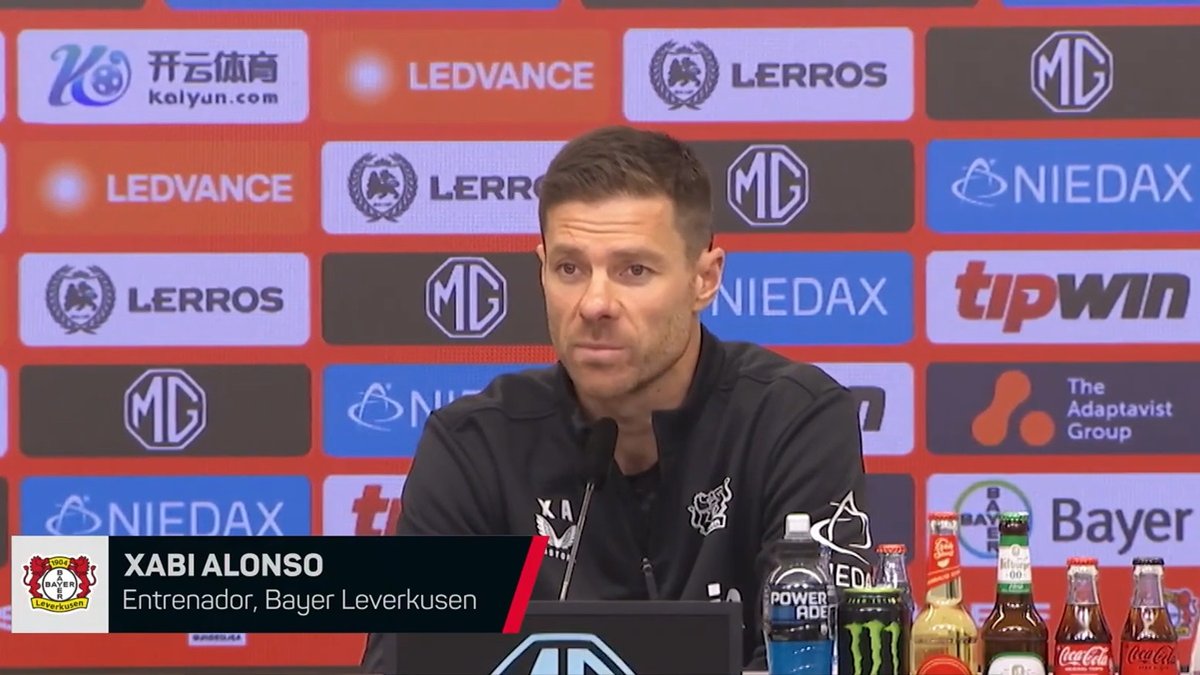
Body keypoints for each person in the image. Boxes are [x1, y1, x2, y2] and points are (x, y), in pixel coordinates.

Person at [362, 125, 875, 672]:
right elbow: (406, 662)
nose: (594, 303)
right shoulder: (475, 446)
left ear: (704, 279)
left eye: (634, 270)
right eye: (570, 268)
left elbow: (817, 659)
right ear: (541, 272)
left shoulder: (792, 421)